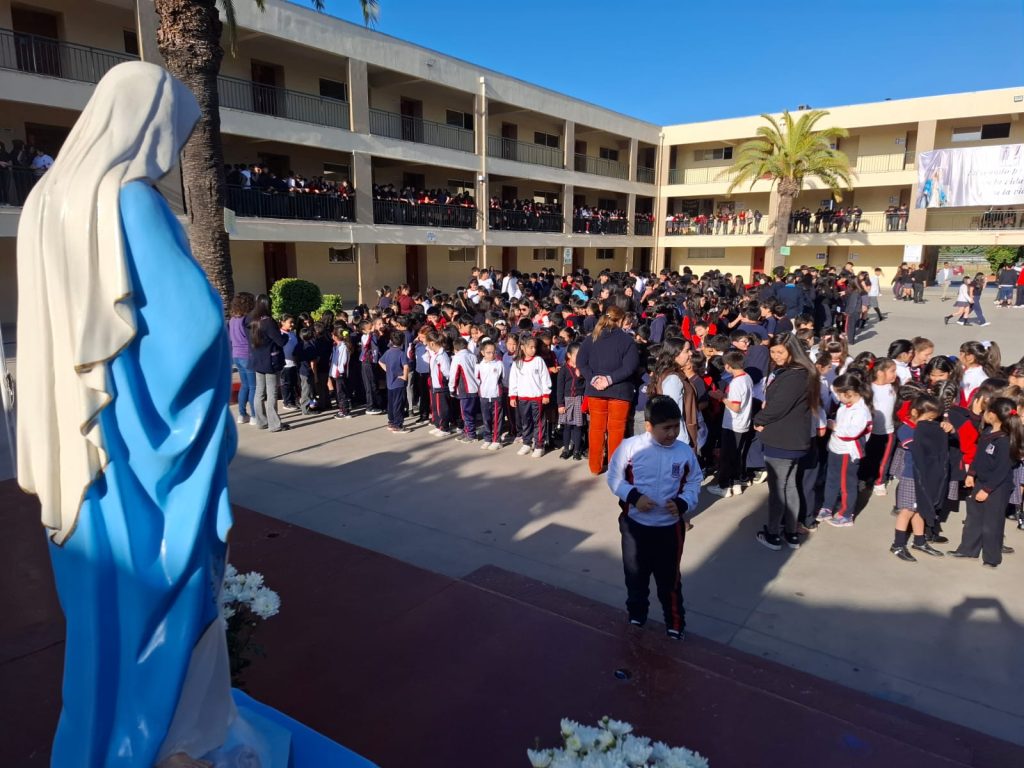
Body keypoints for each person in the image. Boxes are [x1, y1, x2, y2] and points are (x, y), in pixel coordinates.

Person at [607, 396, 703, 640]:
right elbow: (614, 477)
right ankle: (637, 616)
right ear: (649, 426)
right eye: (666, 428)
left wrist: (684, 502)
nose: (672, 433)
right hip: (634, 527)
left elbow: (694, 481)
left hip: (669, 529)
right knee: (635, 575)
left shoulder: (684, 452)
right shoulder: (630, 447)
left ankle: (675, 624)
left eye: (676, 426)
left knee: (669, 580)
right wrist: (633, 496)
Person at [751, 332, 819, 550]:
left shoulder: (794, 376)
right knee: (789, 485)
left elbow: (779, 406)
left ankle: (773, 533)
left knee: (778, 490)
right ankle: (791, 532)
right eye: (772, 351)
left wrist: (758, 419)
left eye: (780, 351)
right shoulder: (801, 372)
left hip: (782, 440)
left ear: (792, 350)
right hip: (793, 439)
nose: (776, 356)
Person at [950, 397, 1023, 567]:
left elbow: (1002, 470)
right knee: (973, 517)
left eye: (986, 411)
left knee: (992, 523)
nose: (984, 414)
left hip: (997, 488)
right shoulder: (987, 433)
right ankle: (968, 549)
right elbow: (978, 456)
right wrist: (971, 474)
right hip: (981, 481)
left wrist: (987, 490)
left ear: (992, 415)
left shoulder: (1005, 440)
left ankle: (991, 558)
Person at [577, 306, 640, 474]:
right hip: (619, 391)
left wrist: (593, 378)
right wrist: (610, 379)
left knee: (596, 429)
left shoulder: (591, 338)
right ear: (621, 320)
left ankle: (595, 466)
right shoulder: (627, 340)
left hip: (595, 390)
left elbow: (581, 362)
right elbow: (630, 366)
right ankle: (615, 468)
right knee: (616, 431)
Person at [889, 394, 950, 562]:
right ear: (915, 412)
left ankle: (919, 541)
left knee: (920, 509)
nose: (931, 422)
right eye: (928, 418)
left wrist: (947, 428)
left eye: (933, 419)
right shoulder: (905, 429)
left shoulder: (926, 428)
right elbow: (918, 447)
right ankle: (898, 545)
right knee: (907, 511)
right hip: (910, 476)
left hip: (923, 476)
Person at [816, 373, 871, 527]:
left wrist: (834, 427)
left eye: (839, 394)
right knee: (832, 479)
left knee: (847, 483)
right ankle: (827, 506)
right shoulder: (845, 406)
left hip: (848, 452)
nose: (837, 397)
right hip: (836, 448)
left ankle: (846, 514)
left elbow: (852, 433)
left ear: (849, 393)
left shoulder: (861, 411)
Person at [707, 350, 752, 498]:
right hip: (744, 423)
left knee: (726, 457)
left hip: (733, 424)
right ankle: (736, 483)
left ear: (727, 366)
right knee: (736, 455)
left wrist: (722, 398)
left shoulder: (736, 383)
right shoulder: (747, 377)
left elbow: (735, 407)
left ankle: (724, 486)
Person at [248, 293, 290, 432]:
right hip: (270, 360)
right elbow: (280, 341)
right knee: (272, 392)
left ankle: (261, 421)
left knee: (259, 391)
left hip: (257, 360)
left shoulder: (252, 320)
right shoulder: (268, 322)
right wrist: (285, 335)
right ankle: (274, 424)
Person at [509, 335, 552, 458]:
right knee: (525, 422)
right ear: (523, 347)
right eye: (530, 347)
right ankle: (527, 443)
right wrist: (512, 396)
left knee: (538, 422)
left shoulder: (539, 360)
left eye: (535, 347)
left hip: (537, 398)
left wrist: (546, 394)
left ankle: (539, 445)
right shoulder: (517, 363)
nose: (533, 350)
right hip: (523, 398)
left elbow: (545, 378)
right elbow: (513, 380)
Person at [555, 341, 587, 460]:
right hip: (567, 401)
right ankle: (566, 449)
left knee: (578, 427)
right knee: (567, 427)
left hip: (578, 400)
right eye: (577, 355)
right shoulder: (564, 369)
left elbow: (585, 386)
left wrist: (581, 376)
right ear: (569, 355)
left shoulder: (582, 369)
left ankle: (577, 451)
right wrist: (560, 404)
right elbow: (560, 388)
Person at [228, 292, 256, 424]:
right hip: (247, 354)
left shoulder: (232, 320)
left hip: (236, 354)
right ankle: (255, 416)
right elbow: (251, 338)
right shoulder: (246, 319)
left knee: (245, 385)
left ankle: (242, 414)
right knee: (253, 386)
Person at [449, 336, 480, 443]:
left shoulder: (457, 358)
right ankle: (467, 431)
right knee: (470, 412)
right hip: (474, 388)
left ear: (455, 348)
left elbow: (454, 375)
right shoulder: (473, 356)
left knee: (466, 413)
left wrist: (451, 389)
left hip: (464, 389)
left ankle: (471, 434)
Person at [477, 340, 505, 451]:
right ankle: (487, 439)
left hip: (496, 396)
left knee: (497, 419)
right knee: (486, 419)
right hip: (484, 396)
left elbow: (503, 377)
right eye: (488, 352)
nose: (491, 355)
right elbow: (477, 379)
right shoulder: (480, 366)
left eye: (493, 352)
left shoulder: (499, 364)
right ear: (482, 353)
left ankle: (496, 440)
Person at [380, 330, 410, 433]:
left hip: (390, 383)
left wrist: (388, 370)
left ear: (391, 341)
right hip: (399, 383)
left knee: (391, 404)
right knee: (399, 404)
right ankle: (398, 425)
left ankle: (391, 422)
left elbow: (380, 361)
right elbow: (406, 366)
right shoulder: (402, 353)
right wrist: (405, 376)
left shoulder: (388, 352)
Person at [329, 322, 353, 419]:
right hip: (338, 373)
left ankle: (344, 411)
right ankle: (344, 409)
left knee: (341, 393)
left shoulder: (342, 347)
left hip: (340, 373)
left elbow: (342, 360)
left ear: (335, 336)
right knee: (341, 392)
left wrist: (339, 371)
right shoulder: (337, 346)